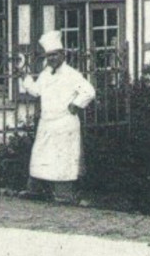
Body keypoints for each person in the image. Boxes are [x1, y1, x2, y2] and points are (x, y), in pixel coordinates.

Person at [20, 29, 97, 203]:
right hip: (47, 122)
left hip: (64, 123)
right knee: (41, 156)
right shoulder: (46, 74)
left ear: (63, 54)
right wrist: (24, 79)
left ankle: (64, 195)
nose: (52, 59)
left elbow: (89, 91)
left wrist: (75, 104)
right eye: (49, 56)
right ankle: (35, 190)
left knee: (63, 159)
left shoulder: (72, 74)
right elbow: (36, 91)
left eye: (55, 55)